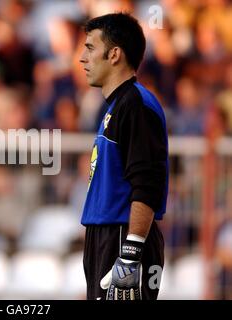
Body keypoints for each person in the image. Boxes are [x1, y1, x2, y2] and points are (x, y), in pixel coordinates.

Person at [79, 13, 168, 300]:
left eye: (90, 47)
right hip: (105, 237)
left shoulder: (136, 105)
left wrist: (130, 253)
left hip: (122, 238)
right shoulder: (115, 106)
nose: (82, 58)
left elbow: (147, 182)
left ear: (115, 54)